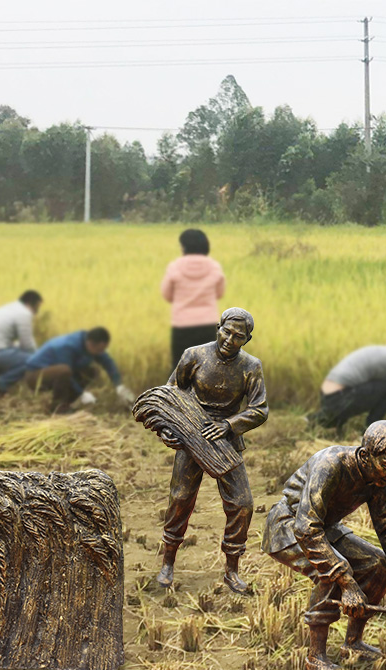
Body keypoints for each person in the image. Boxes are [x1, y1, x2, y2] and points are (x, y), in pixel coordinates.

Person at [261, 421, 386, 670]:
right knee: (332, 571)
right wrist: (346, 581)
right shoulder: (330, 465)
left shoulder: (379, 480)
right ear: (366, 455)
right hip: (288, 526)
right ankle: (315, 658)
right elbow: (306, 528)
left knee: (379, 565)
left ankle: (353, 643)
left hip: (325, 528)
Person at [157, 307, 268, 594]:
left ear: (247, 339)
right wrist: (169, 428)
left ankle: (232, 570)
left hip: (226, 442)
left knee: (242, 505)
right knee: (180, 498)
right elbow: (170, 393)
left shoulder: (251, 367)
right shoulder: (194, 355)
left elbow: (259, 410)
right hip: (192, 433)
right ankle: (167, 562)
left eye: (238, 336)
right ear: (218, 327)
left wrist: (230, 426)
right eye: (226, 331)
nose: (230, 339)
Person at [24, 327, 135, 413]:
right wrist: (82, 394)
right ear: (91, 344)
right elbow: (67, 374)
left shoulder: (90, 343)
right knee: (64, 370)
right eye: (100, 349)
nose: (101, 353)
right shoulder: (67, 346)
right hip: (35, 376)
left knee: (91, 371)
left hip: (57, 372)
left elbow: (108, 362)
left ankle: (66, 404)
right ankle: (58, 407)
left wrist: (119, 386)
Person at [161, 228, 226, 370]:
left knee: (180, 369)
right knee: (208, 370)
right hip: (208, 326)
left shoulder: (175, 267)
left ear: (184, 247)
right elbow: (220, 293)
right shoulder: (214, 267)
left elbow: (166, 294)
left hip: (181, 326)